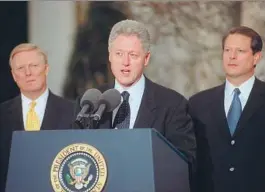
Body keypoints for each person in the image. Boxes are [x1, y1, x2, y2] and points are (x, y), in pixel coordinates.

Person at [74, 19, 196, 165]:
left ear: (146, 59)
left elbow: (184, 162)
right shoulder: (89, 102)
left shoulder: (172, 105)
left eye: (133, 55)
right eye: (119, 53)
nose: (125, 62)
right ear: (110, 56)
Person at [189, 26, 265, 192]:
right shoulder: (198, 103)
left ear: (256, 57)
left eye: (240, 51)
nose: (232, 56)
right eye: (227, 50)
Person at [0, 43, 75, 191]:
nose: (28, 73)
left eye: (34, 65)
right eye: (20, 68)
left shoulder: (73, 111)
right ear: (14, 75)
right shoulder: (2, 115)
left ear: (46, 69)